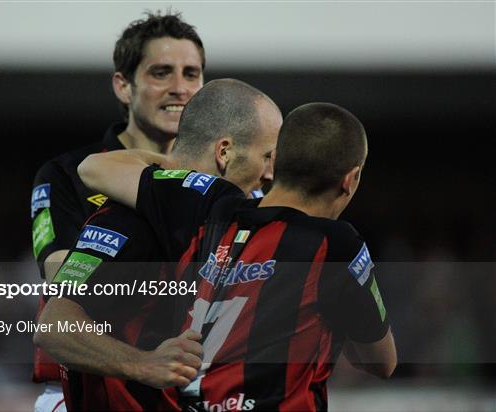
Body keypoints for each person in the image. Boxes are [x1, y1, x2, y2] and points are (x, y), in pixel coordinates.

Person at [78, 102, 397, 410]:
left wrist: (177, 164)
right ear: (350, 179)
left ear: (276, 160)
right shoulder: (337, 245)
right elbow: (382, 362)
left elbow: (94, 166)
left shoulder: (211, 204)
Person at [35, 79, 283, 410]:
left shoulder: (214, 225)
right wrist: (143, 364)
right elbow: (54, 326)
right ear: (224, 151)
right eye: (266, 156)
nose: (270, 174)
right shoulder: (130, 221)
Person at [30, 11, 205, 412]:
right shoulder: (66, 174)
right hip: (84, 391)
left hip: (185, 388)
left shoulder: (213, 185)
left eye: (191, 74)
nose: (180, 88)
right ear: (124, 86)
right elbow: (63, 278)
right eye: (161, 73)